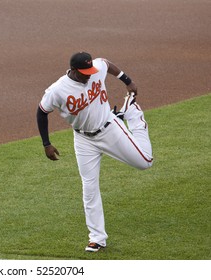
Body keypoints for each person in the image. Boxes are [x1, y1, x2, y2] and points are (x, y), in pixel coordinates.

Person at [36, 51, 153, 252]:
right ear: (73, 71)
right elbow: (41, 112)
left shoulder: (96, 69)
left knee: (145, 162)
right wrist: (46, 143)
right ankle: (97, 238)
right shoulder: (58, 90)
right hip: (83, 140)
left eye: (90, 70)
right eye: (84, 72)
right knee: (89, 188)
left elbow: (106, 63)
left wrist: (127, 80)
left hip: (109, 129)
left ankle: (132, 113)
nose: (89, 75)